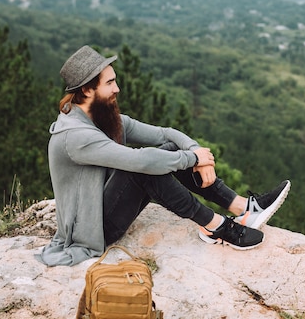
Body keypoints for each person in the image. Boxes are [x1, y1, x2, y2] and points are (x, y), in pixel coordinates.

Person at [36, 45, 290, 267]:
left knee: (167, 151)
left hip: (105, 208)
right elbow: (142, 161)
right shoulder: (75, 135)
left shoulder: (102, 119)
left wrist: (196, 152)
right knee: (143, 168)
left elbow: (165, 134)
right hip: (91, 231)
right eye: (110, 83)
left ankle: (243, 208)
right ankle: (216, 226)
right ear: (88, 91)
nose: (118, 88)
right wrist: (193, 160)